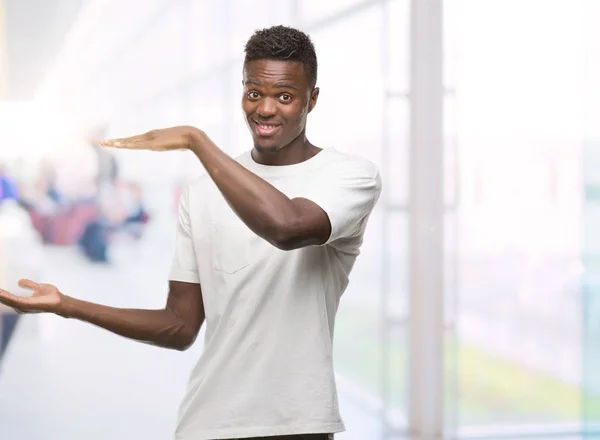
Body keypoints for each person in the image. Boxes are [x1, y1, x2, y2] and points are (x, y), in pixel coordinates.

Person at [0, 26, 381, 440]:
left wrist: (196, 141)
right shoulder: (201, 193)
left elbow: (287, 227)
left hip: (297, 424)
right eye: (254, 93)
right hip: (207, 423)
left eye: (285, 96)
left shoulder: (348, 176)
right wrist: (66, 305)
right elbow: (179, 326)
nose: (265, 109)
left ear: (313, 98)